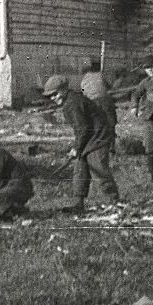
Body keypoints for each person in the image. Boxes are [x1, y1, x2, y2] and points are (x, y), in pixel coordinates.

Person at [62, 71, 120, 212]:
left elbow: (82, 128)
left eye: (55, 94)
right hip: (88, 137)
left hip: (98, 137)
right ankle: (78, 203)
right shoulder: (71, 100)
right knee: (80, 170)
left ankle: (114, 202)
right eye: (50, 96)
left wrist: (76, 148)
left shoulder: (73, 103)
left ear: (64, 90)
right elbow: (81, 128)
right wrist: (78, 147)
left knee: (98, 168)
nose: (53, 98)